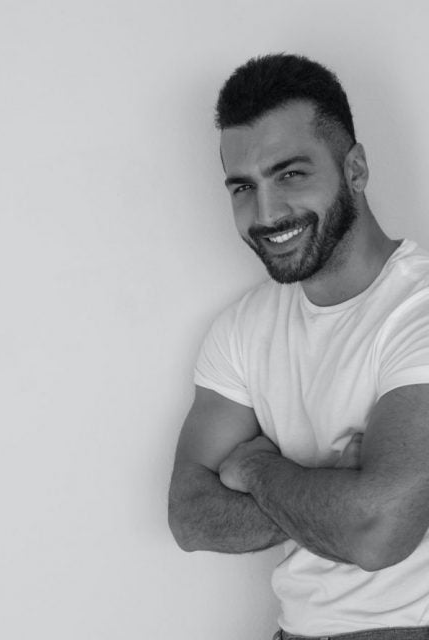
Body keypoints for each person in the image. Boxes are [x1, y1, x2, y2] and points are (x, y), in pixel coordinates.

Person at [167, 53, 429, 639]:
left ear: (355, 169)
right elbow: (189, 516)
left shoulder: (418, 309)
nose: (266, 213)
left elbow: (379, 531)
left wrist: (257, 468)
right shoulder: (242, 328)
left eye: (290, 175)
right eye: (243, 186)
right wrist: (335, 496)